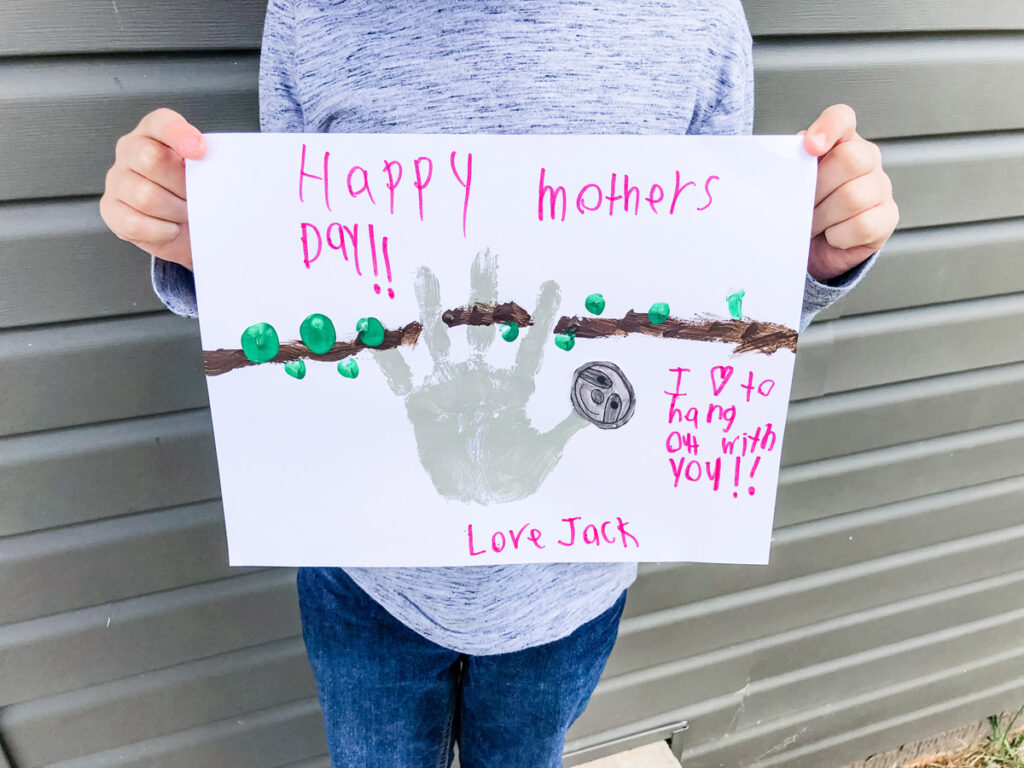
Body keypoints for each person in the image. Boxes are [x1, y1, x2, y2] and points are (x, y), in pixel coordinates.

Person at [99, 2, 898, 766]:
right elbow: (305, 265)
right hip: (365, 574)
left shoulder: (697, 20)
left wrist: (813, 258)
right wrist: (211, 241)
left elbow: (714, 280)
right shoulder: (315, 13)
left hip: (567, 588)